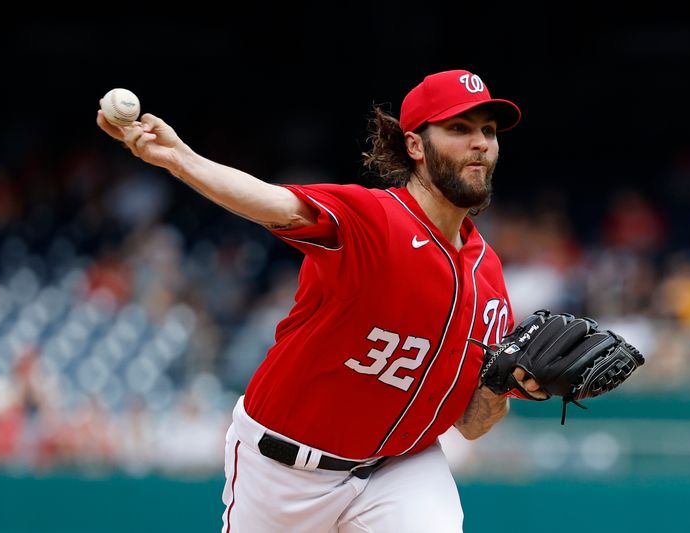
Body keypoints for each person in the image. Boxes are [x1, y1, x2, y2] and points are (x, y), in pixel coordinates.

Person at [97, 69, 547, 533]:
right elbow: (272, 203)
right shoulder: (374, 220)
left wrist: (498, 389)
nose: (480, 143)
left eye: (488, 131)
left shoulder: (487, 273)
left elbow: (471, 425)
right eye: (459, 129)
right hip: (282, 470)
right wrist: (180, 159)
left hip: (400, 468)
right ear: (415, 146)